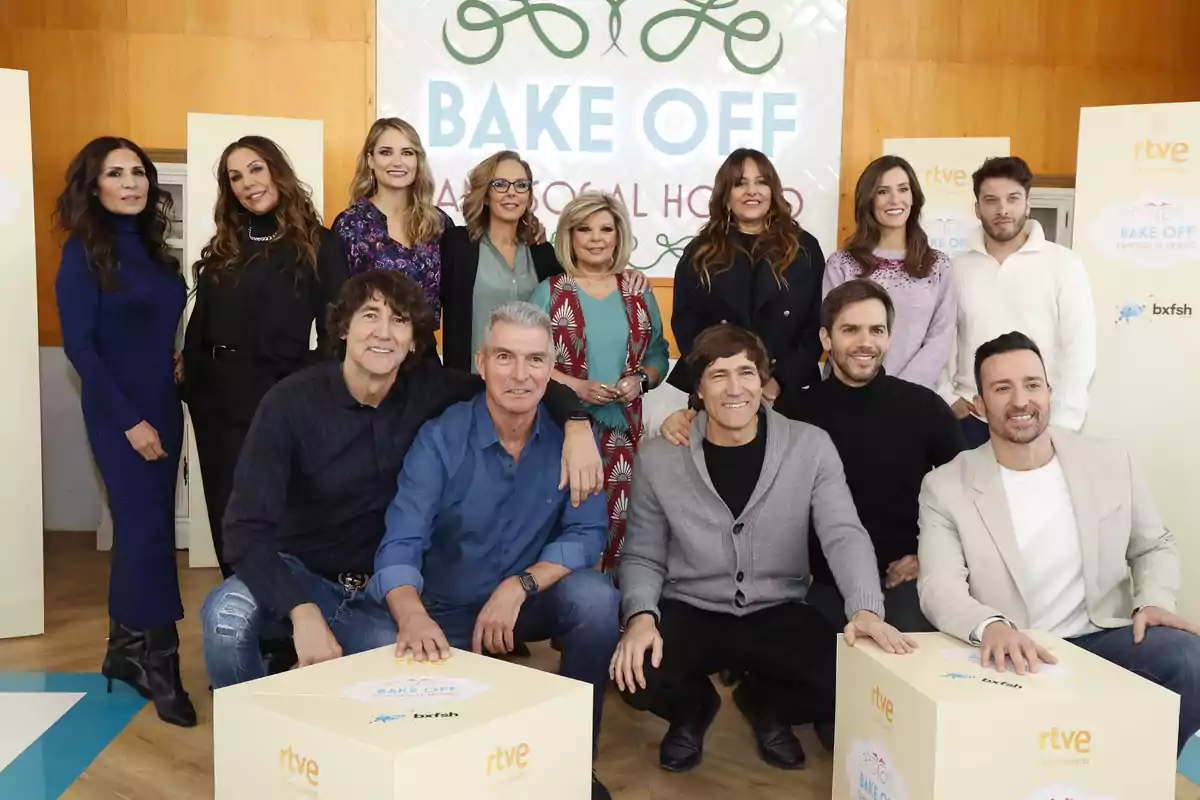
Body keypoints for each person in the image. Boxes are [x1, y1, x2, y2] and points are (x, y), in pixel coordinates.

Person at [200, 272, 603, 691]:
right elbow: (244, 530)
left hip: (376, 595)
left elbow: (515, 385)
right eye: (370, 315)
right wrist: (301, 611)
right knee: (225, 619)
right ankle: (249, 737)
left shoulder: (432, 388)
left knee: (410, 681)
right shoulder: (289, 402)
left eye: (399, 321)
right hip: (301, 575)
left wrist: (576, 422)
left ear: (413, 340)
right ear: (343, 327)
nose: (383, 333)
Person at [612, 324, 913, 773]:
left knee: (845, 680)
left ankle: (765, 705)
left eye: (746, 372)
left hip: (778, 607)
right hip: (692, 607)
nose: (735, 388)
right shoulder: (659, 458)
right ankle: (693, 709)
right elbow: (642, 553)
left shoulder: (810, 446)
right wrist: (639, 618)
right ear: (697, 388)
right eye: (718, 375)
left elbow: (843, 533)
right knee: (634, 674)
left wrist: (865, 609)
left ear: (763, 380)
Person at [373, 301, 619, 800]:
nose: (521, 375)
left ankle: (570, 761)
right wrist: (412, 616)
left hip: (524, 604)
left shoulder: (573, 443)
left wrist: (520, 585)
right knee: (374, 641)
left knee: (596, 600)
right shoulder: (440, 438)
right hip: (444, 609)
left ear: (552, 370)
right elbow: (400, 542)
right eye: (505, 358)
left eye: (535, 360)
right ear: (481, 363)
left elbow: (588, 535)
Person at [918, 331, 1200, 755]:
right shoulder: (945, 486)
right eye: (1002, 388)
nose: (1020, 401)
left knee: (1188, 658)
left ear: (1050, 392)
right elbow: (939, 586)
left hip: (1099, 637)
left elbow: (1153, 545)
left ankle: (1154, 778)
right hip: (1012, 648)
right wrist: (991, 626)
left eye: (1032, 384)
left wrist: (1153, 601)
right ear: (978, 405)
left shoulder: (1111, 460)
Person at [55, 136, 194, 726]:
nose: (132, 182)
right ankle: (162, 660)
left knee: (147, 528)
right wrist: (131, 420)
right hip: (120, 415)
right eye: (117, 173)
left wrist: (177, 359)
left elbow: (158, 327)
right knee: (147, 535)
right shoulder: (82, 252)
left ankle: (123, 650)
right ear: (95, 185)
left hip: (165, 405)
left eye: (139, 172)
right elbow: (81, 348)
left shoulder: (158, 255)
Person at [183, 135, 347, 581]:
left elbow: (339, 331)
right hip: (213, 398)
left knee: (272, 514)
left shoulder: (319, 244)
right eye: (235, 176)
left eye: (255, 169)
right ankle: (237, 616)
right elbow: (205, 316)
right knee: (225, 511)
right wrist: (190, 377)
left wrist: (301, 382)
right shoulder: (228, 242)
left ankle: (278, 626)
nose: (247, 183)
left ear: (277, 170)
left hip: (274, 398)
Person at [783, 279, 964, 632]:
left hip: (904, 581)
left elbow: (969, 497)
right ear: (826, 339)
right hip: (820, 585)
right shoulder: (793, 411)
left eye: (876, 330)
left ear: (889, 337)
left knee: (905, 667)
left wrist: (928, 558)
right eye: (850, 330)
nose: (865, 343)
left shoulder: (925, 408)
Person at [531, 191, 670, 573]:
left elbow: (659, 354)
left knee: (621, 528)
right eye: (584, 228)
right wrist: (576, 387)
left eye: (606, 228)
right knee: (567, 527)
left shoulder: (637, 290)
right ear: (569, 236)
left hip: (624, 433)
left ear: (618, 235)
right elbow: (530, 361)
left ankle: (617, 618)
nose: (596, 237)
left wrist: (640, 380)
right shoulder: (550, 292)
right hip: (562, 430)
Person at [943, 157, 1095, 447]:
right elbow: (939, 340)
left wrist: (1064, 423)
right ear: (977, 209)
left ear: (1027, 203)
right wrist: (946, 397)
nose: (1002, 210)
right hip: (974, 423)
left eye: (1012, 199)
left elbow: (1080, 349)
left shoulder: (1063, 263)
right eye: (991, 200)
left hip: (1040, 422)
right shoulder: (956, 269)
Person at [666, 148, 826, 407]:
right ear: (726, 196)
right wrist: (720, 379)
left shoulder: (803, 248)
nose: (752, 191)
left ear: (772, 192)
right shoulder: (699, 251)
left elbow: (815, 323)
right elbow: (686, 323)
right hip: (720, 391)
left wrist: (778, 382)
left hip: (788, 392)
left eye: (761, 182)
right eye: (740, 184)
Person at [823, 155, 955, 389]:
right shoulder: (841, 264)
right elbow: (834, 336)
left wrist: (896, 392)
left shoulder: (938, 266)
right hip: (850, 396)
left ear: (914, 197)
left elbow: (940, 339)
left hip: (915, 398)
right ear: (869, 200)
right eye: (883, 191)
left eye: (903, 189)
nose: (895, 199)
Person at [332, 118, 448, 321]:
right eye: (386, 152)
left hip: (424, 348)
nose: (397, 162)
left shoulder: (438, 222)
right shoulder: (350, 224)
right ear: (370, 160)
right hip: (371, 345)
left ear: (417, 161)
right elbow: (337, 304)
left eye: (407, 153)